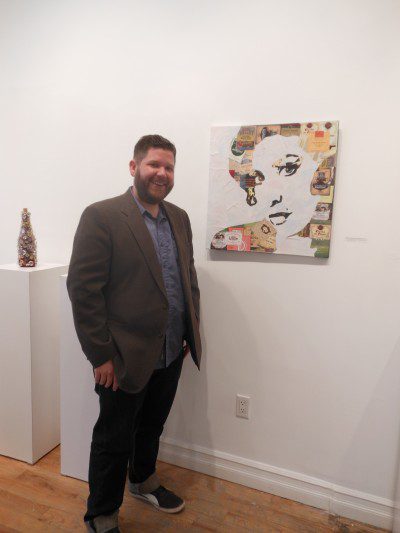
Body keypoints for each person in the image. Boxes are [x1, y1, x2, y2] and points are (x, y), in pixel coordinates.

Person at [67, 134, 201, 533]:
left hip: (171, 349)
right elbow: (84, 291)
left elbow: (186, 277)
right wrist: (100, 355)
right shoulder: (102, 216)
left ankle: (143, 480)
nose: (162, 173)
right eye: (154, 164)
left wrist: (187, 332)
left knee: (152, 426)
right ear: (134, 167)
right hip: (122, 356)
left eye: (169, 167)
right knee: (113, 438)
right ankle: (101, 513)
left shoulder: (179, 217)